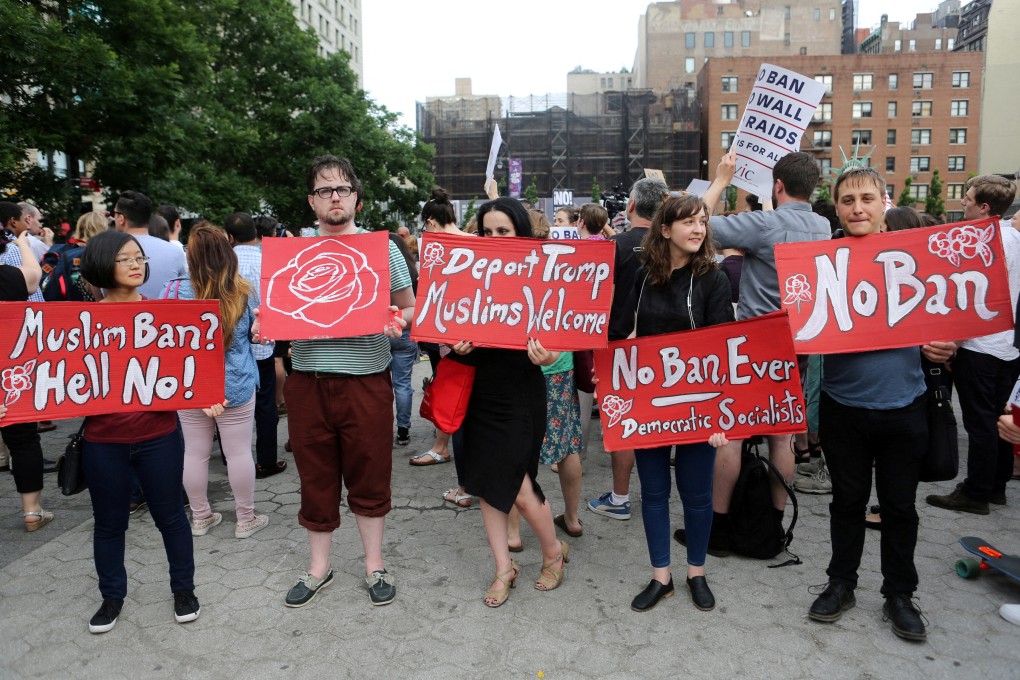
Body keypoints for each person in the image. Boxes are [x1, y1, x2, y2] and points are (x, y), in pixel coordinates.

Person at [805, 167, 956, 641]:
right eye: (847, 200)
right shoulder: (820, 262)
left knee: (899, 507)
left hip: (905, 406)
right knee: (846, 503)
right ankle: (841, 583)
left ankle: (899, 594)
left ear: (884, 201)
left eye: (866, 198)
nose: (857, 208)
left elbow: (947, 312)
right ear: (836, 206)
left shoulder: (914, 256)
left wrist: (946, 344)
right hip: (842, 407)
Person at [278, 155, 414, 608]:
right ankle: (320, 568)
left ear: (355, 197)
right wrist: (267, 324)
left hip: (365, 382)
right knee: (315, 476)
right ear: (311, 200)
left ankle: (374, 564)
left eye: (342, 189)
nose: (334, 197)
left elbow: (408, 306)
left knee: (369, 472)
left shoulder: (383, 248)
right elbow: (276, 313)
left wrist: (398, 321)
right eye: (324, 190)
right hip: (309, 383)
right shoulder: (292, 251)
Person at [680, 151, 832, 554]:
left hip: (756, 344)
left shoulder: (767, 224)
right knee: (782, 437)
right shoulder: (823, 226)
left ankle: (720, 528)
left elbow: (697, 227)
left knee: (731, 434)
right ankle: (772, 526)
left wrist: (721, 180)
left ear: (777, 186)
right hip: (799, 343)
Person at [446, 197, 569, 608]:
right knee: (485, 485)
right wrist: (456, 348)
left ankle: (552, 553)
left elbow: (558, 341)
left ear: (520, 232)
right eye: (487, 231)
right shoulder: (467, 274)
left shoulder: (541, 276)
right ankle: (503, 568)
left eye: (504, 231)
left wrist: (547, 355)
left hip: (520, 395)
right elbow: (448, 335)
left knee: (518, 484)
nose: (495, 238)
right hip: (479, 396)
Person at [616, 194, 735, 612]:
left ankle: (696, 572)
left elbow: (725, 348)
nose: (698, 229)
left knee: (697, 493)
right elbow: (618, 332)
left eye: (702, 221)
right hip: (650, 403)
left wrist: (722, 412)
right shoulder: (643, 275)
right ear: (665, 230)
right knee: (653, 491)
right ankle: (661, 576)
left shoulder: (714, 280)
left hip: (699, 405)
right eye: (688, 222)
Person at [78, 230, 198, 634]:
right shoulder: (79, 323)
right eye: (125, 258)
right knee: (109, 523)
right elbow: (52, 378)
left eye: (139, 258)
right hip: (102, 442)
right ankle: (112, 598)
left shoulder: (166, 315)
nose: (136, 264)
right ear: (101, 264)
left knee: (171, 518)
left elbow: (190, 367)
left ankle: (184, 589)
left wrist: (207, 392)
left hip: (159, 435)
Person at [164, 223, 268, 539]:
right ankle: (245, 519)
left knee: (194, 453)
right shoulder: (243, 290)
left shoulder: (172, 291)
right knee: (238, 453)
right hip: (236, 383)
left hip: (189, 384)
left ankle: (200, 517)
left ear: (190, 257)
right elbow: (260, 339)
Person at [927, 175, 1020, 515]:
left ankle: (976, 492)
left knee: (980, 422)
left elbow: (974, 301)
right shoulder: (1015, 238)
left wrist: (954, 341)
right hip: (1010, 347)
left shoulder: (983, 243)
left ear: (983, 206)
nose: (962, 202)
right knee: (1000, 417)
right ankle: (996, 487)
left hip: (981, 347)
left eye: (967, 198)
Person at [586, 177, 668, 521]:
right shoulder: (672, 245)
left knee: (621, 423)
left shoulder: (613, 247)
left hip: (617, 346)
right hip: (668, 349)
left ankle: (620, 498)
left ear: (630, 206)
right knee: (659, 422)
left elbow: (594, 300)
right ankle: (655, 496)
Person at [224, 212, 286, 479]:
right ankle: (266, 460)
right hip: (263, 344)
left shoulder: (225, 262)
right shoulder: (269, 260)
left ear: (230, 237)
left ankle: (233, 458)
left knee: (232, 405)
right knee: (265, 405)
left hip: (232, 347)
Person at [0, 230, 52, 531]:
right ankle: (32, 511)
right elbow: (33, 274)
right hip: (10, 375)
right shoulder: (8, 277)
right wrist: (22, 243)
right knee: (23, 441)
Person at [112, 191, 187, 300]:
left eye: (114, 213)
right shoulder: (176, 251)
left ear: (121, 218)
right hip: (166, 315)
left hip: (118, 315)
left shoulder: (107, 251)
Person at [387, 231, 419, 447]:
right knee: (403, 384)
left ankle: (381, 426)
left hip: (381, 331)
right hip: (406, 331)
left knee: (380, 384)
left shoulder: (381, 269)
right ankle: (403, 430)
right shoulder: (412, 272)